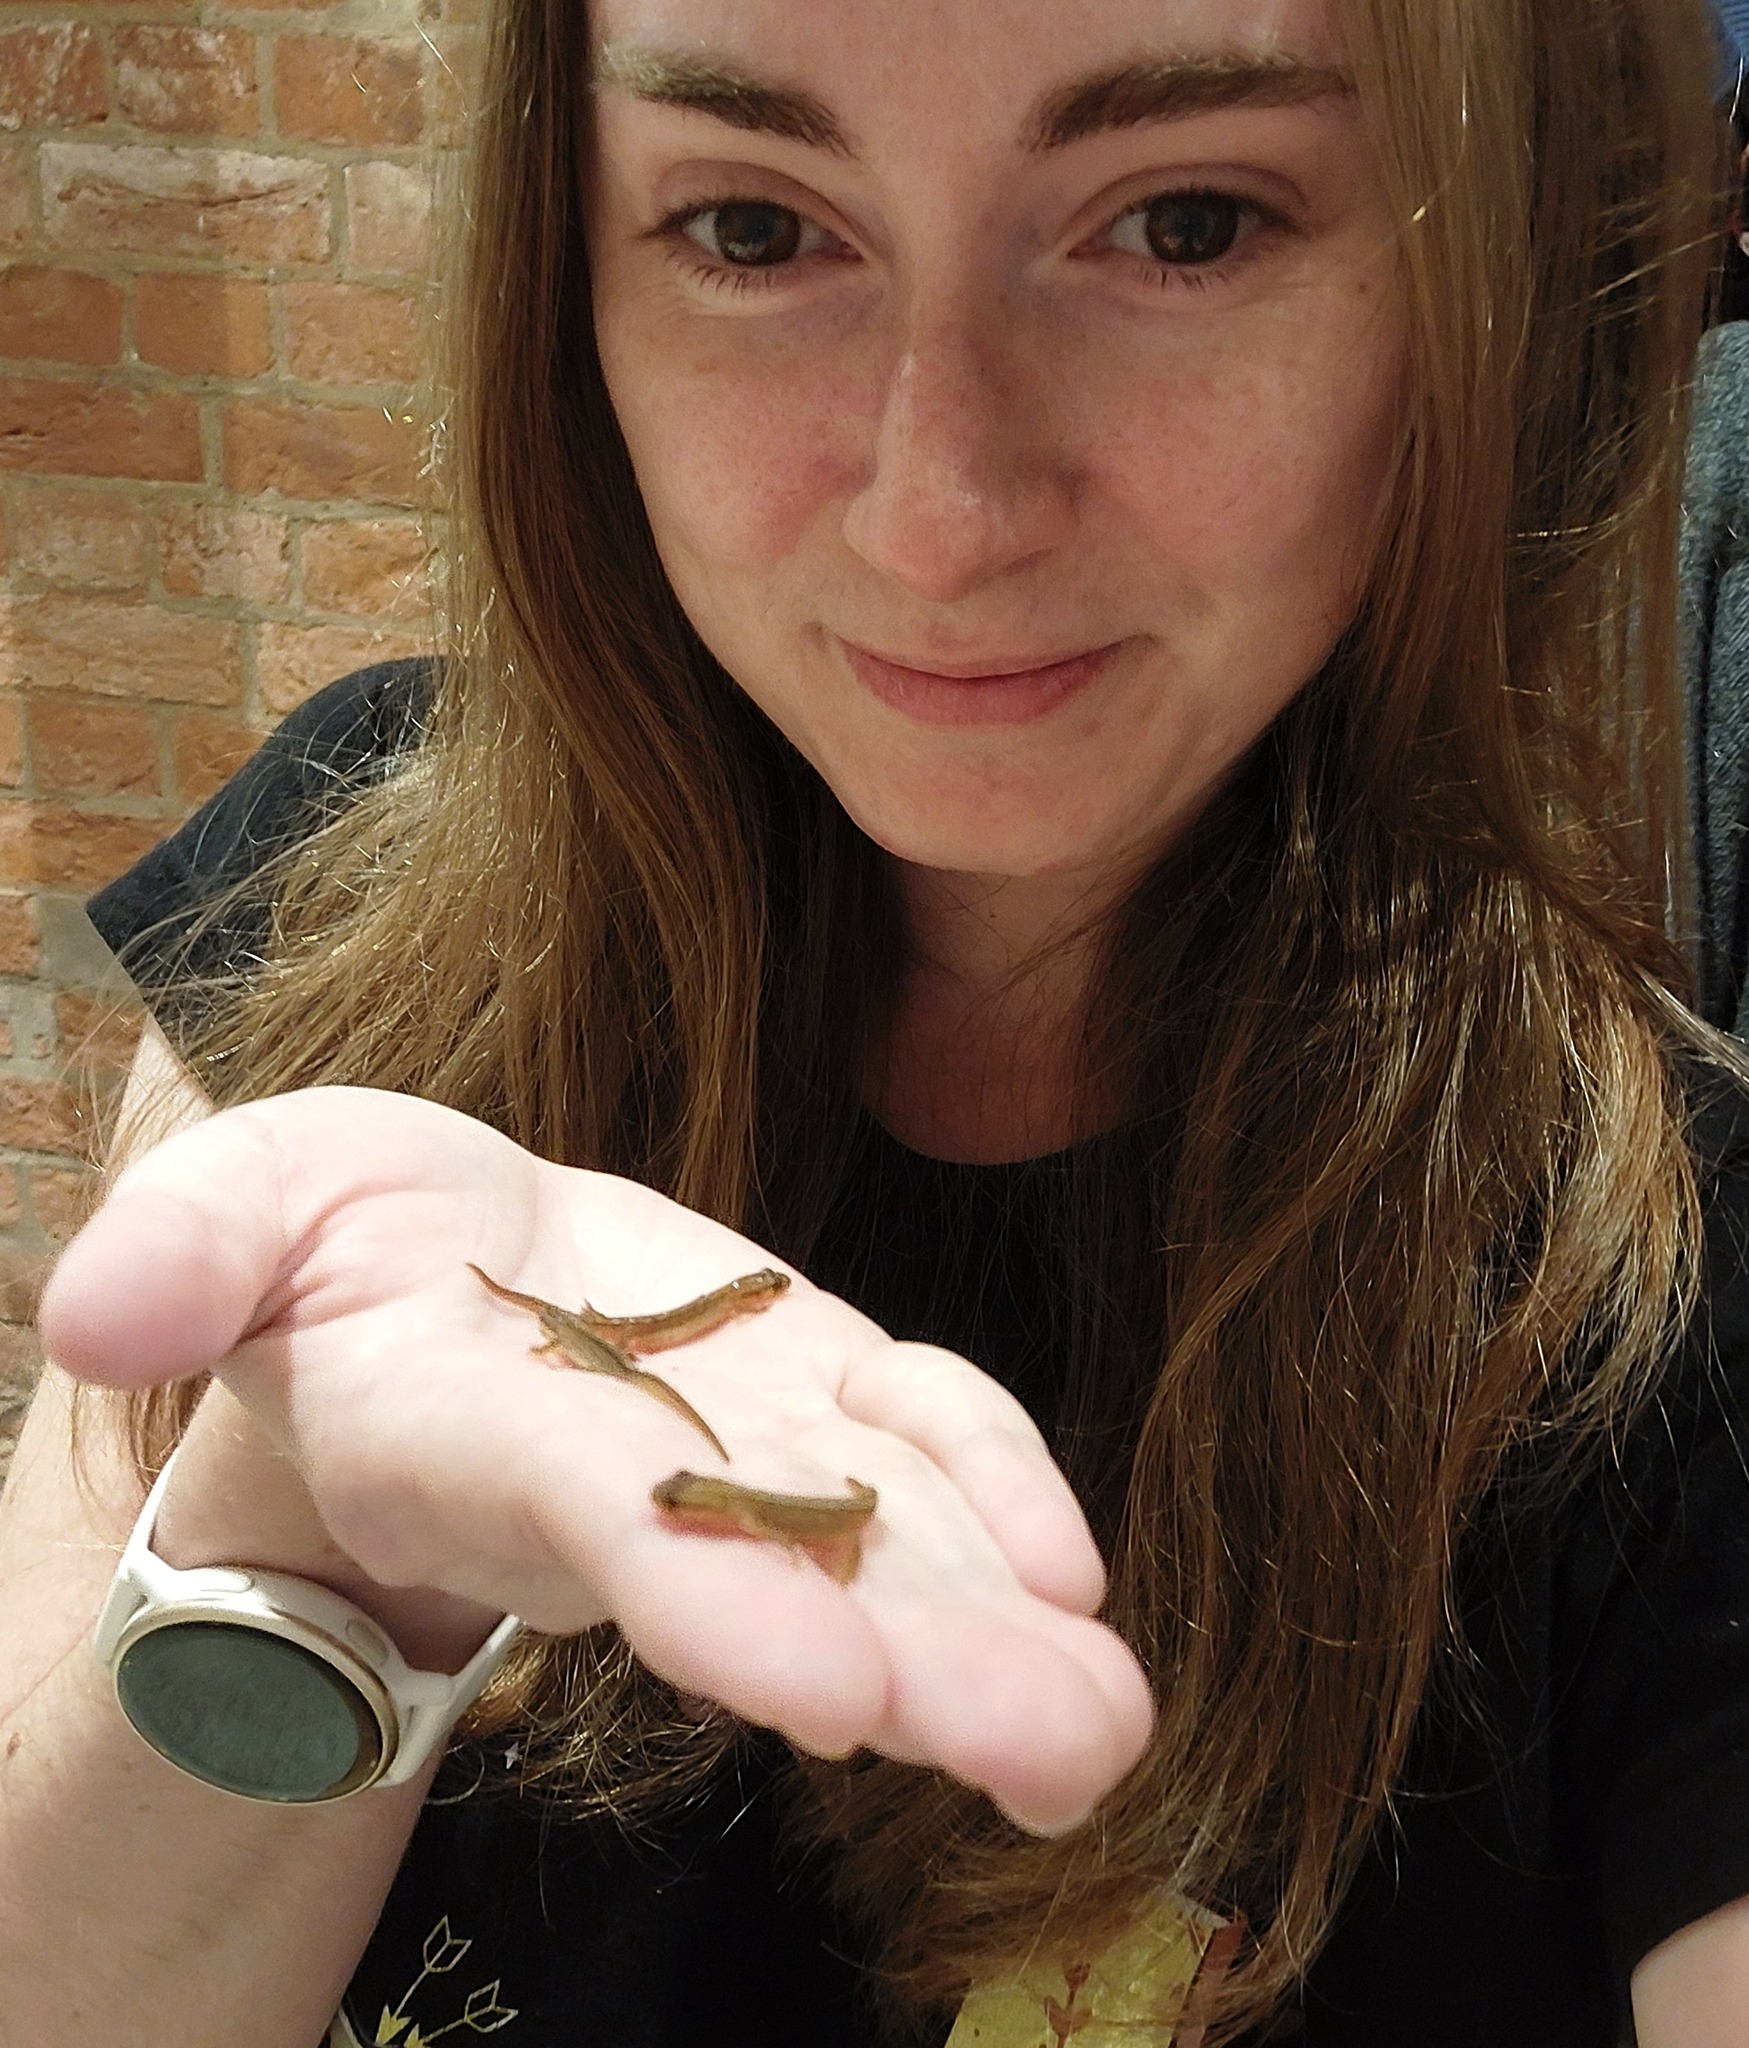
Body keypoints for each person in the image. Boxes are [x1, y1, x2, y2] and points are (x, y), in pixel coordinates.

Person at [0, 0, 1743, 2042]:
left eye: (1184, 224)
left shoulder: (1665, 1323)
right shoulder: (342, 899)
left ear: (1481, 286)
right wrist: (306, 1524)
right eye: (751, 229)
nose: (937, 514)